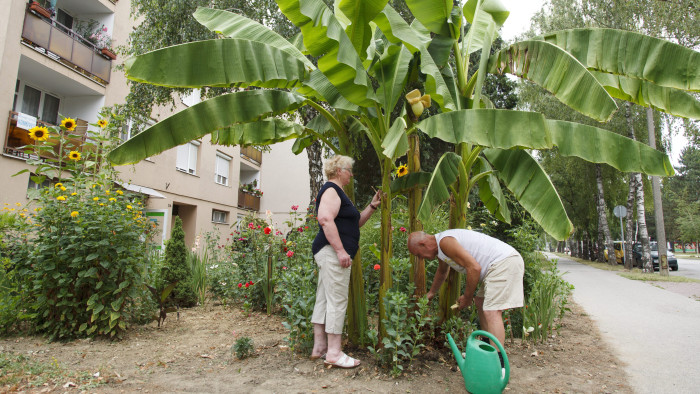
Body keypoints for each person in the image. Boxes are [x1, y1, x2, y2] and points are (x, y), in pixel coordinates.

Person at [309, 155, 381, 368]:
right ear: (339, 170)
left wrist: (372, 206)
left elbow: (355, 223)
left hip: (328, 251)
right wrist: (340, 251)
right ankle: (333, 352)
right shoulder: (332, 190)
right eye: (349, 170)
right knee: (337, 300)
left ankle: (320, 347)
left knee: (324, 297)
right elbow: (325, 219)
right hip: (332, 252)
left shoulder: (338, 192)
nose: (352, 173)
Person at [407, 229, 524, 348]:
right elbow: (442, 272)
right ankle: (487, 348)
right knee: (480, 302)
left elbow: (474, 268)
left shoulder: (445, 242)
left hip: (504, 261)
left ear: (423, 244)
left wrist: (467, 297)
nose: (420, 258)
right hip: (497, 265)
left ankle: (499, 362)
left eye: (418, 254)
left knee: (492, 311)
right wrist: (431, 293)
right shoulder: (440, 248)